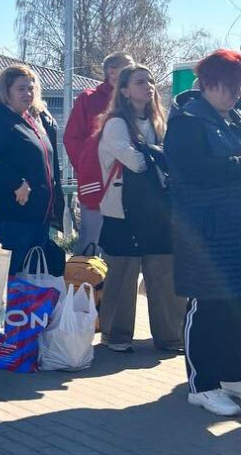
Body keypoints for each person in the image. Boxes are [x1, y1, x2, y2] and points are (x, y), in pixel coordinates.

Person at [165, 50, 241, 417]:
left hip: (232, 227)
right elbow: (194, 170)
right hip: (204, 231)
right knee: (206, 306)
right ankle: (202, 384)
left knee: (233, 307)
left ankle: (231, 375)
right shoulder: (187, 121)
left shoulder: (233, 120)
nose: (235, 94)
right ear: (209, 84)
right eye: (230, 86)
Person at [96, 64, 184, 354]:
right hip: (123, 212)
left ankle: (172, 335)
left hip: (157, 211)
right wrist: (159, 156)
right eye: (139, 81)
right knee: (123, 273)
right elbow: (135, 161)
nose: (148, 86)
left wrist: (155, 155)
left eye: (150, 81)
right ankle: (115, 334)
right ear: (124, 90)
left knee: (163, 271)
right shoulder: (115, 124)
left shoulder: (160, 122)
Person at [0, 65, 64, 273]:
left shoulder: (33, 120)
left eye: (31, 88)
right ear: (6, 91)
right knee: (10, 278)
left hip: (38, 215)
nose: (28, 93)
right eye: (21, 89)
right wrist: (16, 182)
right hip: (12, 214)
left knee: (31, 282)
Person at [63, 52, 135, 253]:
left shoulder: (135, 100)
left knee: (125, 244)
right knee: (92, 239)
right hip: (96, 183)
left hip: (130, 183)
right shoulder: (89, 99)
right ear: (111, 72)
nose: (130, 72)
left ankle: (119, 284)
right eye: (124, 68)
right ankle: (83, 282)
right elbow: (72, 138)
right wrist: (88, 169)